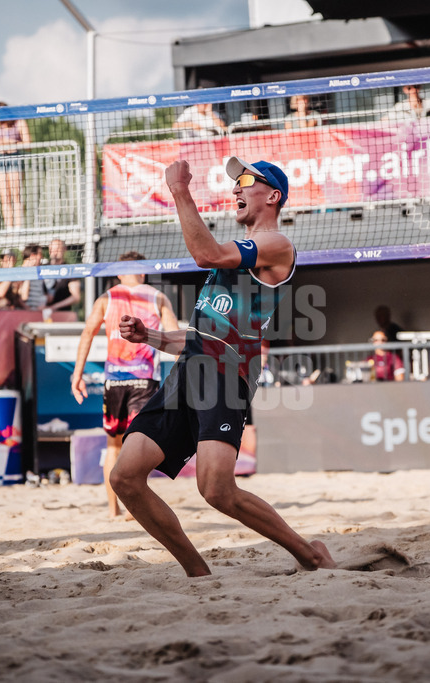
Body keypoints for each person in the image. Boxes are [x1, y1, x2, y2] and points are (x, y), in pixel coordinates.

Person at [111, 156, 336, 576]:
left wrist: (179, 189)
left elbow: (204, 252)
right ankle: (198, 572)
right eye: (236, 182)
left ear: (273, 196)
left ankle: (310, 554)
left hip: (224, 378)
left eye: (246, 180)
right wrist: (152, 337)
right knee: (124, 477)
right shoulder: (230, 264)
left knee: (216, 489)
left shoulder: (277, 246)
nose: (236, 188)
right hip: (190, 372)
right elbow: (201, 337)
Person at [71, 251, 180, 518]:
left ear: (118, 273)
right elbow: (177, 339)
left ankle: (113, 510)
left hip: (114, 383)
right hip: (144, 381)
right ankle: (134, 510)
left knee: (113, 447)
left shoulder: (107, 298)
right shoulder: (157, 297)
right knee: (138, 449)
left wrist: (77, 375)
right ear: (143, 271)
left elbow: (87, 333)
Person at [0, 102, 32, 229]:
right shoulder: (0, 126)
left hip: (14, 158)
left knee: (16, 195)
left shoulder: (19, 122)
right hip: (1, 160)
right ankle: (9, 229)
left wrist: (10, 144)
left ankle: (18, 228)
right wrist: (4, 145)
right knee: (5, 197)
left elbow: (28, 144)